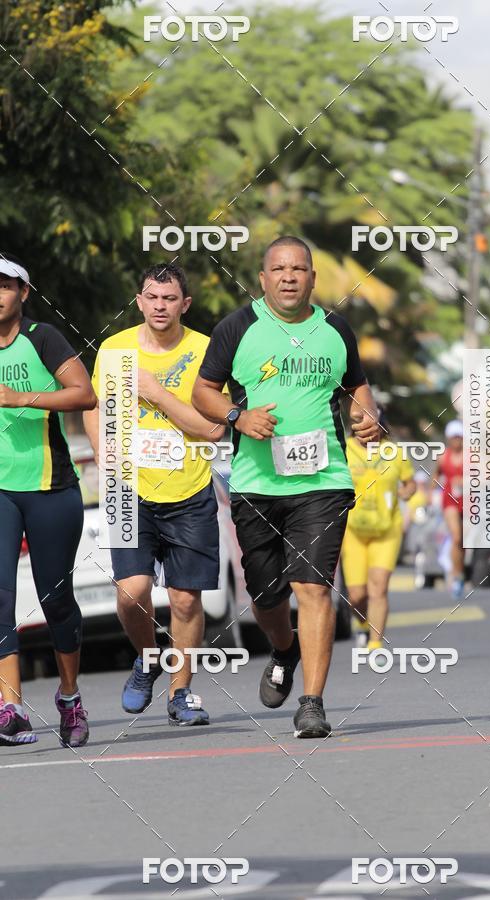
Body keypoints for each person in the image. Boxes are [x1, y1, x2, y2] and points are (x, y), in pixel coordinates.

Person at [193, 236, 379, 738]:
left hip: (324, 482)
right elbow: (202, 392)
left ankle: (312, 703)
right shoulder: (237, 327)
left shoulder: (336, 329)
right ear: (263, 278)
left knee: (313, 587)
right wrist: (239, 416)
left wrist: (368, 414)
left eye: (298, 269)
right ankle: (283, 649)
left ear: (313, 278)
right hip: (256, 484)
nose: (289, 277)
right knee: (265, 595)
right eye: (279, 269)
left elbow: (357, 385)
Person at [84, 263, 224, 727]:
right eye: (152, 297)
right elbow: (94, 406)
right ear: (139, 301)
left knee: (184, 600)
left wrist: (158, 394)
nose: (160, 306)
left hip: (189, 490)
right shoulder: (115, 349)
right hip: (128, 490)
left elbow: (213, 430)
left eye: (169, 298)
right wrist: (102, 450)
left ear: (185, 304)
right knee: (132, 594)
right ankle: (147, 659)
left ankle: (181, 693)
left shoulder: (205, 351)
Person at [0, 252, 96, 747]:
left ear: (23, 293)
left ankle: (69, 697)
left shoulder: (43, 338)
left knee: (55, 600)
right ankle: (11, 708)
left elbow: (84, 394)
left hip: (50, 488)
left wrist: (20, 398)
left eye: (4, 286)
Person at [341, 412, 416, 650]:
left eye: (373, 427)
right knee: (356, 596)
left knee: (379, 587)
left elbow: (410, 483)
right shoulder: (343, 449)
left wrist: (407, 492)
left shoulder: (394, 452)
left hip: (387, 530)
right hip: (353, 531)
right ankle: (363, 623)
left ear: (382, 428)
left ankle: (375, 643)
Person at [432, 420, 464, 598]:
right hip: (450, 501)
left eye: (459, 437)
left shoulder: (471, 456)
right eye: (453, 437)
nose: (456, 441)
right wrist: (432, 493)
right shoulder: (443, 457)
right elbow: (436, 476)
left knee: (463, 542)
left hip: (468, 501)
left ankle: (460, 573)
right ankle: (455, 576)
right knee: (456, 537)